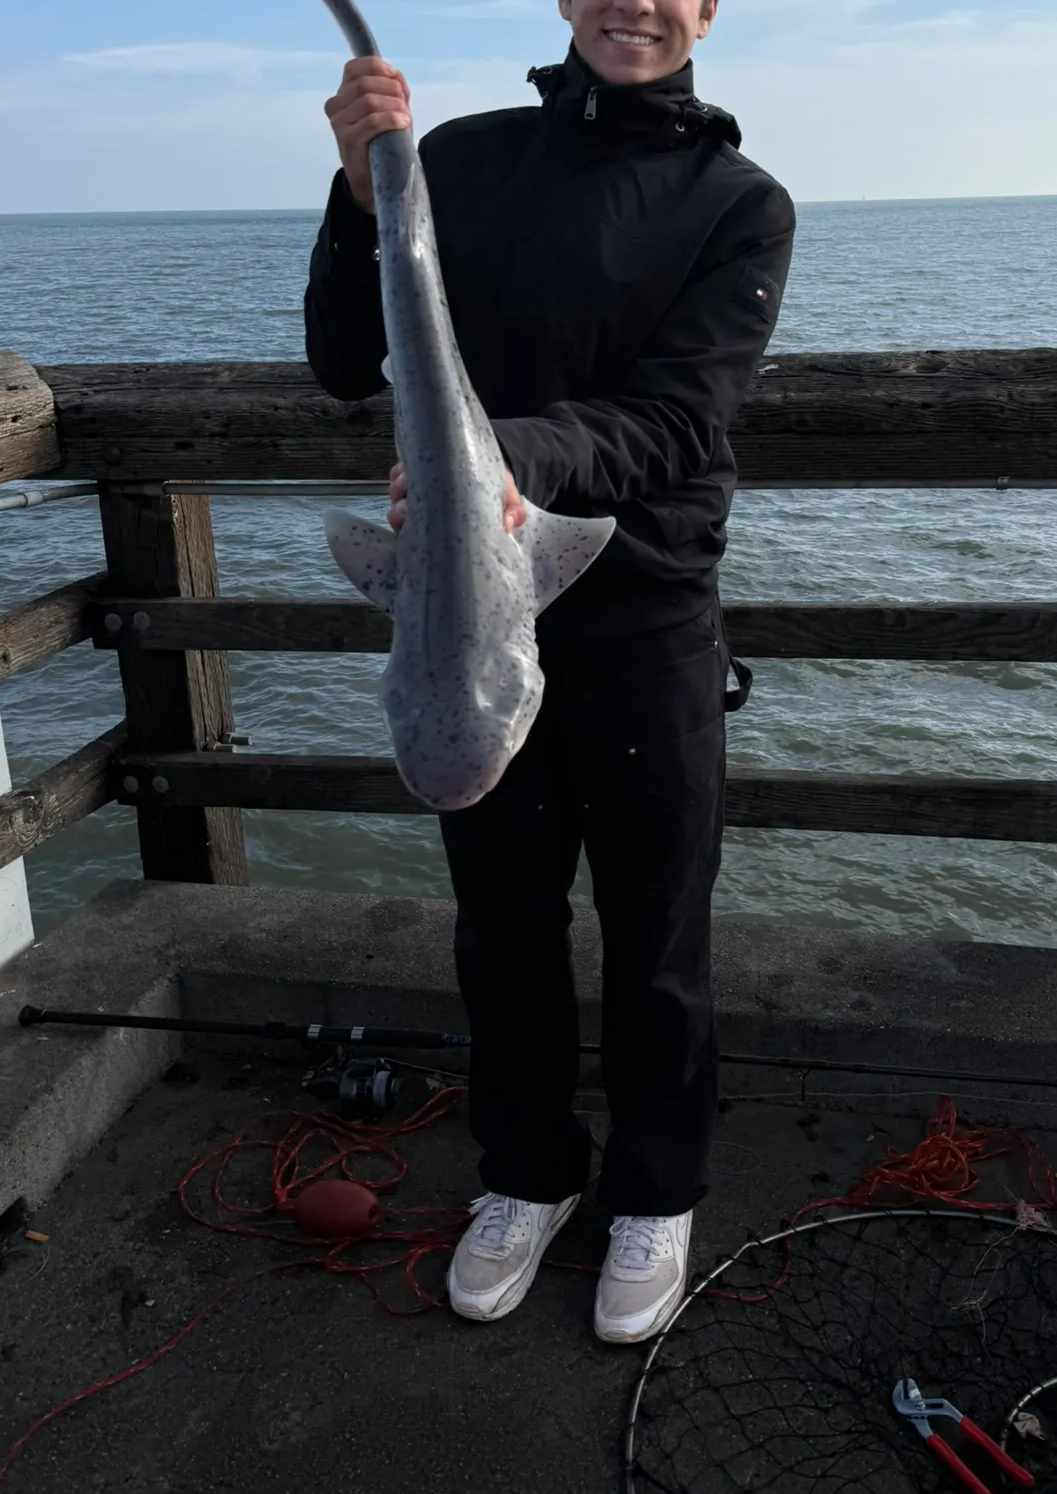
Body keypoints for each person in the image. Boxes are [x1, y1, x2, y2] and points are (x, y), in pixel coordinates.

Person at [304, 0, 794, 1344]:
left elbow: (681, 416)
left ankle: (656, 1190)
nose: (634, 3)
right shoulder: (458, 160)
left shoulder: (739, 203)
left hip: (640, 618)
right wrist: (361, 195)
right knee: (502, 934)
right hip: (463, 620)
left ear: (707, 11)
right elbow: (349, 360)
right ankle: (526, 1174)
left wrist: (503, 462)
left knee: (658, 941)